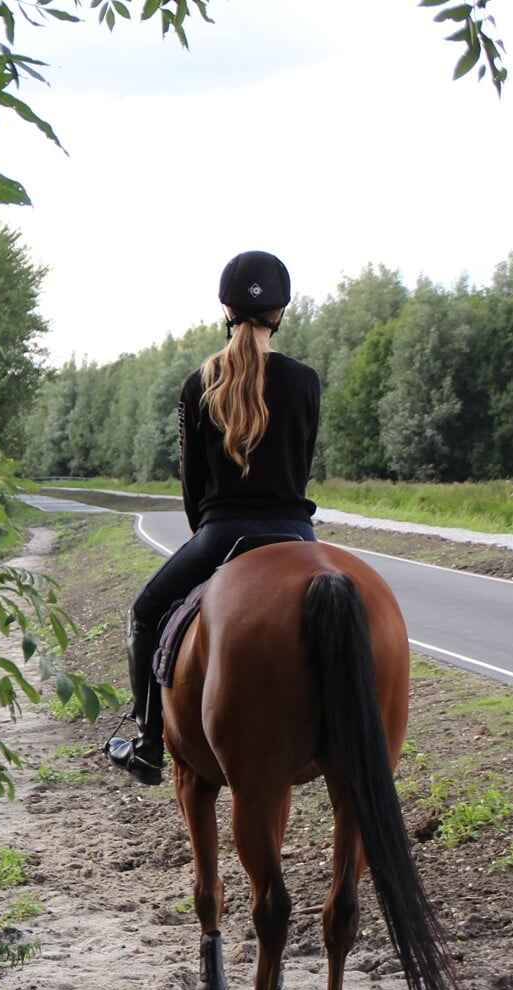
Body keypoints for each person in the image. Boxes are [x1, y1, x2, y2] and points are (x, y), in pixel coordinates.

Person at [106, 250, 322, 785]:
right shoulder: (305, 381)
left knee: (145, 613)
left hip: (223, 534)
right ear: (281, 310)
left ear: (225, 307)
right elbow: (303, 466)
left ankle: (149, 743)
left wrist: (206, 535)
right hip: (297, 535)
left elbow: (192, 486)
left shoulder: (198, 382)